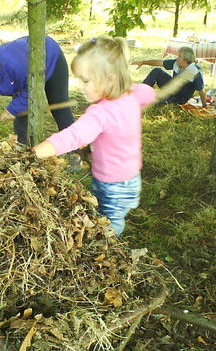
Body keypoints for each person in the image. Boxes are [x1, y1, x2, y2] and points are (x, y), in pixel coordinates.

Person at [32, 36, 157, 237]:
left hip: (113, 185)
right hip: (130, 177)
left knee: (109, 222)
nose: (80, 86)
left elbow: (72, 136)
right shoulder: (132, 93)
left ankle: (108, 249)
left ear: (109, 77)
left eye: (85, 80)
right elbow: (148, 93)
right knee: (104, 214)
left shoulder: (101, 113)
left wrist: (35, 153)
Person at [131, 47, 207, 107]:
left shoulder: (195, 72)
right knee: (157, 71)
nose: (177, 57)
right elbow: (159, 63)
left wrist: (204, 106)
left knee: (156, 101)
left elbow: (201, 91)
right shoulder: (176, 63)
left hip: (179, 98)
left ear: (186, 59)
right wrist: (143, 62)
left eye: (179, 56)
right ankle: (140, 93)